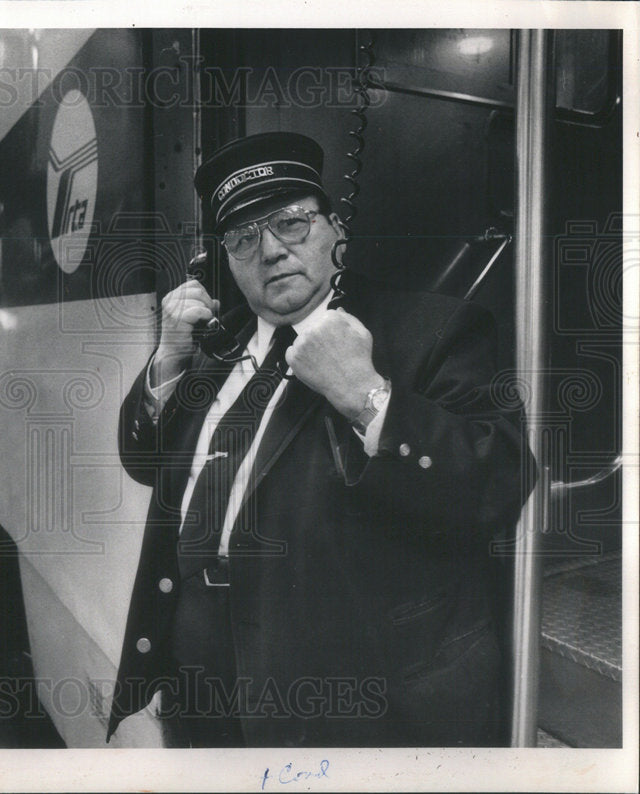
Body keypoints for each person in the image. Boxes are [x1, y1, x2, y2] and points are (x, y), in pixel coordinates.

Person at [106, 131, 534, 747]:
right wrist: (166, 362)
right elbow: (144, 461)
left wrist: (367, 395)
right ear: (225, 260)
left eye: (291, 223)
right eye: (245, 238)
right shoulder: (214, 348)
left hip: (349, 707)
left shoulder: (428, 330)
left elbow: (497, 486)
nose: (271, 251)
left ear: (335, 227)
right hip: (197, 691)